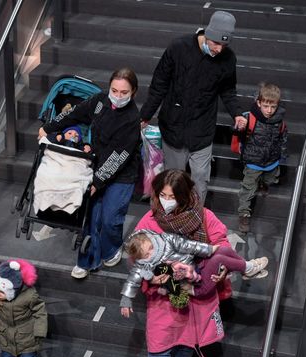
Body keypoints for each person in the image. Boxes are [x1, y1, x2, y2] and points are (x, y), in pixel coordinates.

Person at [119, 169, 235, 357]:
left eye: (172, 196)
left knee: (192, 336)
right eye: (161, 195)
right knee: (160, 342)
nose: (165, 201)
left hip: (198, 289)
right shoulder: (149, 221)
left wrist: (221, 268)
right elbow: (134, 258)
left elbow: (221, 246)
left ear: (184, 196)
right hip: (164, 297)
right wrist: (151, 277)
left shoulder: (204, 217)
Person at [38, 67, 141, 279]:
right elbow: (74, 113)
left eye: (124, 92)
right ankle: (86, 261)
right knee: (91, 216)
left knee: (110, 219)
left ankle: (112, 248)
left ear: (134, 93)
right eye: (115, 90)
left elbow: (118, 156)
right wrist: (49, 128)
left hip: (122, 174)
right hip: (95, 162)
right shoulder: (100, 101)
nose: (118, 96)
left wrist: (97, 181)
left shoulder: (131, 119)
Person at [140, 11, 247, 204]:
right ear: (207, 34)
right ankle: (168, 221)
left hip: (203, 128)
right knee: (173, 180)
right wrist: (146, 115)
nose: (219, 49)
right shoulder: (178, 48)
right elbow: (159, 84)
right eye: (215, 43)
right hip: (174, 126)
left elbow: (228, 90)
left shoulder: (228, 59)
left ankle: (194, 223)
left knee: (200, 180)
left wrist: (237, 113)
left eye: (224, 45)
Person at [122, 229, 268, 306]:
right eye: (146, 255)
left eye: (151, 248)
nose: (151, 254)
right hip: (194, 285)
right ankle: (248, 268)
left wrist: (209, 249)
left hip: (197, 266)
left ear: (150, 239)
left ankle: (247, 268)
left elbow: (189, 245)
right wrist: (126, 300)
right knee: (219, 259)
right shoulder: (144, 266)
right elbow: (132, 281)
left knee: (222, 250)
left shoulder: (164, 239)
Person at [235, 83, 288, 233]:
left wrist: (282, 155)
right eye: (265, 106)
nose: (269, 111)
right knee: (248, 190)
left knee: (270, 180)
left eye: (273, 107)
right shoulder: (249, 118)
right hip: (253, 162)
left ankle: (264, 184)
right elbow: (236, 129)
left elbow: (283, 137)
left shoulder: (280, 121)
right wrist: (238, 127)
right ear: (258, 103)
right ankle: (244, 215)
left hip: (271, 161)